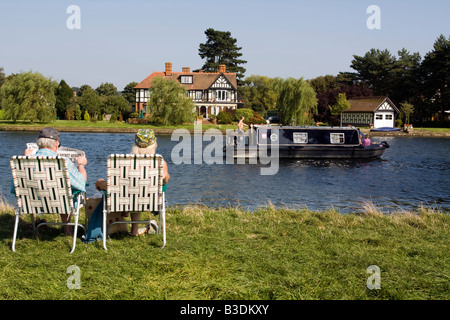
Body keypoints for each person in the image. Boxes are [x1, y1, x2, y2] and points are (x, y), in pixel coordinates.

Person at [95, 129, 170, 236]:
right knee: (140, 190)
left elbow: (113, 185)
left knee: (133, 189)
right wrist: (165, 175)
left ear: (135, 144)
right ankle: (134, 230)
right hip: (151, 202)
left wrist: (100, 182)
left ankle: (125, 214)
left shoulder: (124, 162)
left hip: (124, 200)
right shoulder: (159, 162)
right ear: (154, 145)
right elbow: (165, 180)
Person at [24, 127, 88, 235]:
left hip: (33, 203)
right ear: (57, 143)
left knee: (61, 190)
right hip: (60, 202)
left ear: (37, 142)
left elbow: (14, 187)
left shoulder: (25, 161)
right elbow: (81, 183)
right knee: (65, 191)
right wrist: (81, 165)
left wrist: (26, 158)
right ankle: (67, 229)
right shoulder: (64, 162)